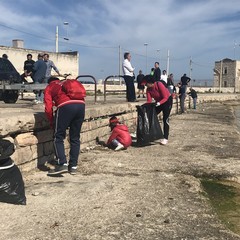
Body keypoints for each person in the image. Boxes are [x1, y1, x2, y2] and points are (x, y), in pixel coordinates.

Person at [44, 76, 85, 175]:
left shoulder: (50, 87)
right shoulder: (65, 83)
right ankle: (73, 166)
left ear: (49, 82)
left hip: (65, 106)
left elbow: (48, 107)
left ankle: (62, 163)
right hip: (81, 105)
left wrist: (51, 122)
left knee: (58, 137)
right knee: (75, 137)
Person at [144, 75, 173, 145]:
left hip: (167, 101)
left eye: (146, 83)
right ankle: (147, 132)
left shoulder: (159, 84)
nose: (145, 85)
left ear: (151, 83)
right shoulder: (148, 89)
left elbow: (165, 97)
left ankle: (165, 138)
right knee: (150, 115)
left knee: (165, 119)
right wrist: (144, 107)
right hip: (159, 102)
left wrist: (158, 103)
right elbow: (149, 101)